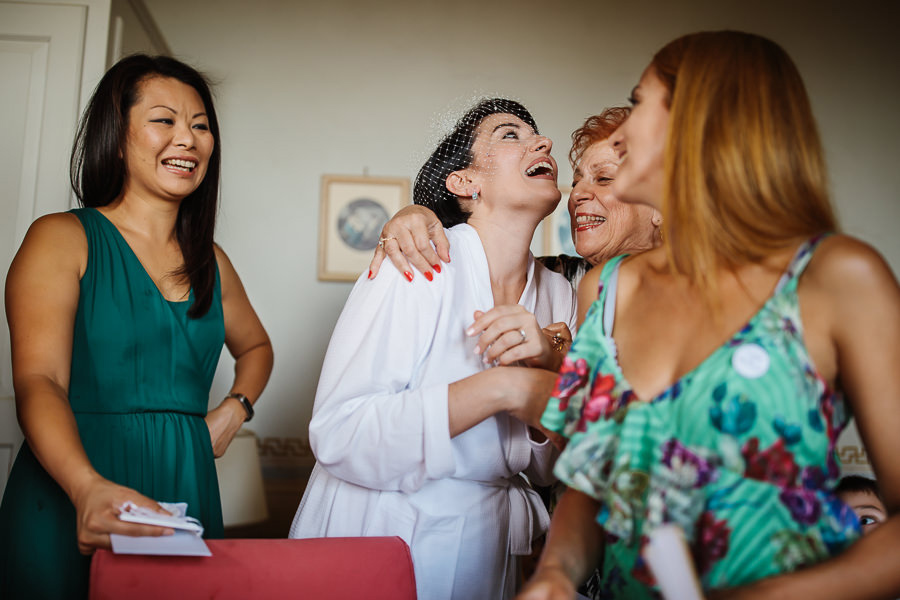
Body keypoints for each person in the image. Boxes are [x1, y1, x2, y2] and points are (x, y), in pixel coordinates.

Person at [519, 30, 900, 599]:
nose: (621, 133)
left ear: (702, 121)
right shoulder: (606, 289)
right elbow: (591, 484)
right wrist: (554, 575)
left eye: (640, 102)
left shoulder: (837, 277)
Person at [0, 54, 274, 600]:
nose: (188, 139)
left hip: (185, 484)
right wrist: (86, 488)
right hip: (74, 481)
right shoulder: (61, 238)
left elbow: (258, 347)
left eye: (201, 126)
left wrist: (233, 410)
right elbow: (40, 382)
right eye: (164, 120)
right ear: (117, 135)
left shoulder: (212, 262)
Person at [289, 98, 576, 600]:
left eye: (538, 135)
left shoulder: (559, 293)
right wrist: (501, 387)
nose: (543, 142)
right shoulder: (418, 258)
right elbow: (340, 433)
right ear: (465, 183)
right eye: (510, 134)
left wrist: (536, 412)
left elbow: (549, 467)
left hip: (489, 549)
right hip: (380, 534)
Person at [368, 107, 662, 309]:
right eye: (575, 183)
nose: (577, 195)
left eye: (605, 178)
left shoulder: (704, 292)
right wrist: (416, 214)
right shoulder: (559, 282)